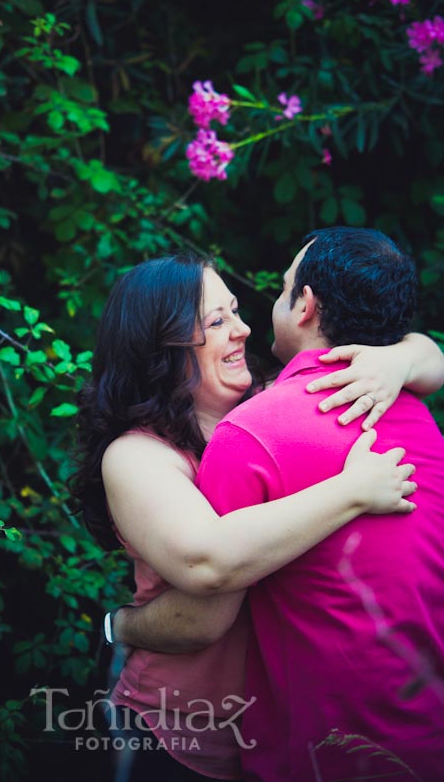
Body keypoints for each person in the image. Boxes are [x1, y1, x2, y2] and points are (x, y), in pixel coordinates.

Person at [72, 248, 444, 781]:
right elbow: (207, 565)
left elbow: (431, 356)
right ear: (161, 343)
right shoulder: (136, 455)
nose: (243, 329)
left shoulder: (267, 412)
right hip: (177, 729)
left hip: (269, 736)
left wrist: (398, 360)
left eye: (238, 312)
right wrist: (353, 492)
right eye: (217, 321)